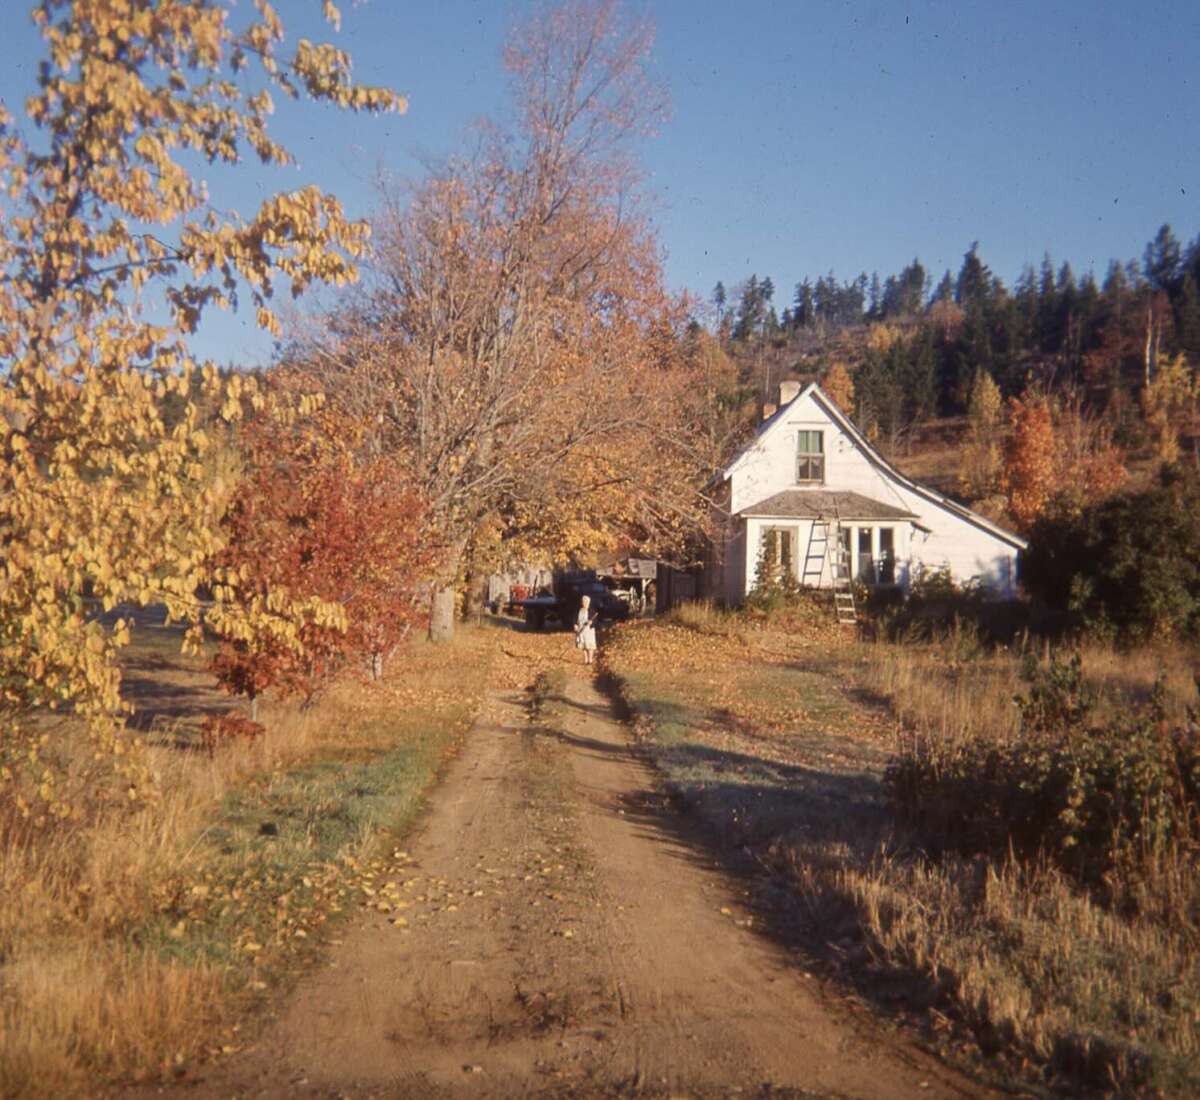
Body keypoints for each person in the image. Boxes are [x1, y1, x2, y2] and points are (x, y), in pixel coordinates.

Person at [574, 594, 598, 666]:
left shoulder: (592, 611)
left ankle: (590, 660)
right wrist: (575, 625)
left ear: (589, 602)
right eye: (583, 602)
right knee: (583, 645)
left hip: (589, 631)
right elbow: (575, 619)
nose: (584, 603)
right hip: (581, 630)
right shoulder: (579, 610)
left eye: (586, 602)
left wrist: (591, 622)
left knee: (589, 646)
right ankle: (586, 659)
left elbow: (596, 621)